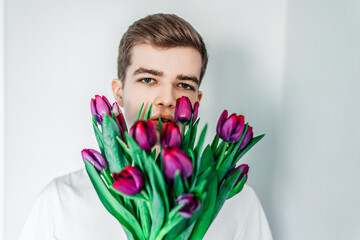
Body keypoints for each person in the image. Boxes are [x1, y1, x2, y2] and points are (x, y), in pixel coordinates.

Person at [19, 13, 273, 240]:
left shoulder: (239, 203)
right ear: (119, 93)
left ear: (197, 101)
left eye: (184, 85)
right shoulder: (61, 201)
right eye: (148, 79)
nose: (167, 99)